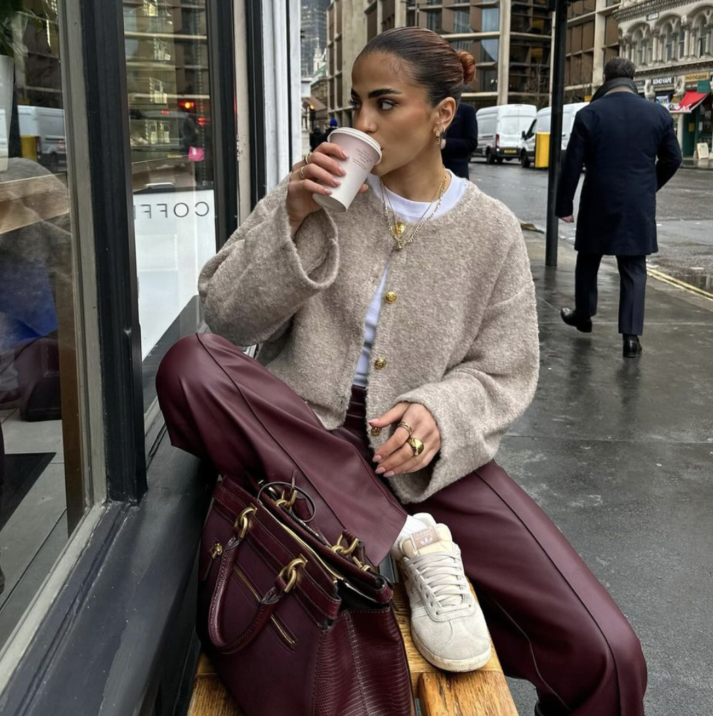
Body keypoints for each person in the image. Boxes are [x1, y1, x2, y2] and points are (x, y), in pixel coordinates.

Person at [157, 28, 647, 716]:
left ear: (442, 115)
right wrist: (293, 218)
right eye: (357, 104)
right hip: (297, 436)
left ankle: (395, 523)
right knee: (191, 364)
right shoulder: (313, 188)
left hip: (420, 458)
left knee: (609, 654)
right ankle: (400, 534)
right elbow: (228, 322)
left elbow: (505, 372)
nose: (363, 124)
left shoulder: (494, 231)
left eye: (385, 104)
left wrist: (440, 413)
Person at [556, 57, 682, 357]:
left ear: (606, 77)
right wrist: (649, 185)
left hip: (598, 197)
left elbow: (572, 163)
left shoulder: (590, 114)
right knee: (634, 267)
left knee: (589, 257)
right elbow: (673, 159)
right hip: (637, 202)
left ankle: (584, 315)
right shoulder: (658, 114)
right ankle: (630, 337)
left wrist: (564, 204)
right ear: (633, 77)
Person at [441, 57, 478, 179]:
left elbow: (471, 143)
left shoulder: (467, 110)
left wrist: (445, 144)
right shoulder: (435, 107)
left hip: (457, 172)